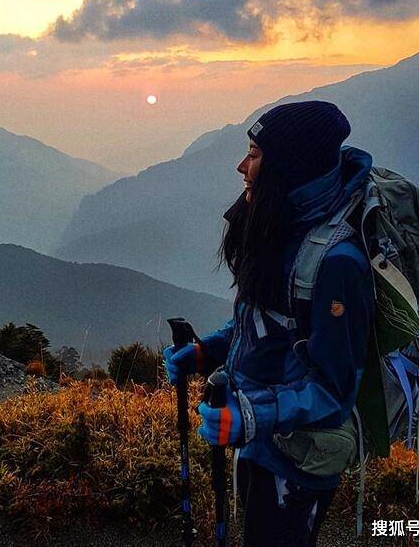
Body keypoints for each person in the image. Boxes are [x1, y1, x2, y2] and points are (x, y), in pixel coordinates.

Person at [164, 101, 375, 547]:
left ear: (287, 168)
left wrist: (250, 417)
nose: (242, 166)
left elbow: (334, 391)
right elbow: (268, 321)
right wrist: (208, 351)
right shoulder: (286, 224)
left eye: (255, 155)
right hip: (264, 438)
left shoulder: (338, 263)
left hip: (300, 458)